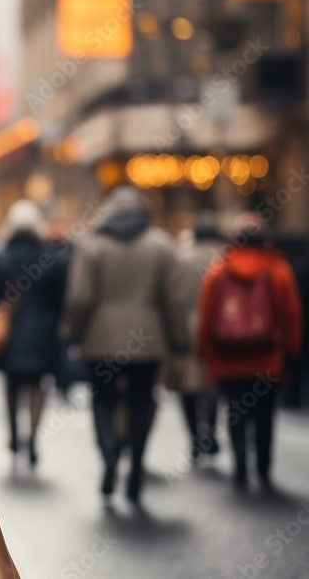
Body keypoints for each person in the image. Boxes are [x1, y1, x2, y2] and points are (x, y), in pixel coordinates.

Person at [62, 186, 182, 504]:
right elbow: (174, 299)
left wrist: (72, 332)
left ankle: (110, 454)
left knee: (103, 401)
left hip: (101, 339)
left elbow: (80, 297)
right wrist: (179, 338)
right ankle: (137, 466)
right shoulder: (161, 245)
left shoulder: (92, 245)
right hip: (148, 339)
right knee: (142, 404)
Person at [198, 212, 302, 490]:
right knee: (265, 414)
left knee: (234, 411)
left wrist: (205, 349)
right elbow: (290, 314)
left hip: (228, 357)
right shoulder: (277, 269)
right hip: (267, 357)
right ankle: (264, 466)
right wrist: (292, 350)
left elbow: (207, 315)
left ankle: (240, 462)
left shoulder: (219, 270)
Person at [0, 200, 67, 467]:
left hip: (8, 334)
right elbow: (62, 301)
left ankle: (14, 434)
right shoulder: (53, 259)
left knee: (12, 384)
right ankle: (33, 437)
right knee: (38, 385)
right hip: (43, 334)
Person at [166, 213, 223, 462]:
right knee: (212, 386)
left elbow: (172, 298)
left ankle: (194, 438)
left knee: (188, 388)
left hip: (187, 327)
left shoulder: (182, 258)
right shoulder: (225, 256)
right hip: (219, 328)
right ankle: (209, 432)